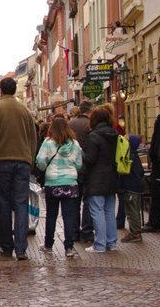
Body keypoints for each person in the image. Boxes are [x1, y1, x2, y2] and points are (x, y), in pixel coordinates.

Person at [0, 77, 38, 260]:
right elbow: (33, 139)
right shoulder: (25, 111)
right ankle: (21, 248)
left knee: (4, 204)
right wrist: (30, 160)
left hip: (1, 161)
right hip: (22, 161)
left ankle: (7, 246)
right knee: (21, 204)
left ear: (1, 92)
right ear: (14, 91)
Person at [35, 116, 83, 257]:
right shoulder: (74, 144)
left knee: (51, 215)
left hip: (53, 183)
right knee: (69, 216)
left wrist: (45, 167)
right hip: (70, 183)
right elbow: (79, 164)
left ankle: (48, 244)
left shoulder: (48, 143)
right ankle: (69, 247)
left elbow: (40, 161)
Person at [83, 104, 119, 253]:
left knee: (97, 211)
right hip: (112, 177)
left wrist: (81, 153)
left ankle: (99, 244)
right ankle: (111, 242)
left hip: (96, 179)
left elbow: (90, 159)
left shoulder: (94, 136)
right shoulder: (115, 135)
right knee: (110, 212)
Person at [68, 100, 95, 242]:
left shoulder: (70, 124)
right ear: (89, 111)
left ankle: (74, 232)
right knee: (88, 200)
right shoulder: (90, 125)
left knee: (74, 201)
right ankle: (87, 231)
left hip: (72, 167)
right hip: (87, 167)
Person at [144, 93, 160, 236]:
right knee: (156, 192)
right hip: (158, 162)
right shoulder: (159, 119)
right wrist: (152, 154)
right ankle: (154, 222)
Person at [120, 134, 145, 243]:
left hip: (131, 188)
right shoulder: (135, 156)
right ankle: (135, 231)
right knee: (133, 210)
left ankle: (136, 233)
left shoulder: (130, 156)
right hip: (135, 187)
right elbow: (141, 172)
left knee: (132, 211)